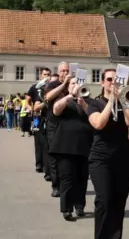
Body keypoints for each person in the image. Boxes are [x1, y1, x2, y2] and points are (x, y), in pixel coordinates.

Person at [87, 68, 129, 239]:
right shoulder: (94, 103)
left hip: (123, 158)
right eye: (109, 79)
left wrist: (121, 100)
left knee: (118, 202)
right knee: (104, 200)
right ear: (102, 82)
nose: (113, 83)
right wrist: (111, 102)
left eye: (117, 80)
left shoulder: (124, 102)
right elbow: (98, 124)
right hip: (101, 158)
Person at [50, 77, 93, 220]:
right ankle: (67, 208)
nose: (76, 86)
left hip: (84, 146)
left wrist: (84, 104)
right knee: (67, 179)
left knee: (82, 178)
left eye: (78, 83)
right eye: (73, 83)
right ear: (68, 87)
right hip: (65, 147)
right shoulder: (64, 100)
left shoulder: (87, 101)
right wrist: (70, 95)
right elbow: (56, 110)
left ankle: (80, 206)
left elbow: (94, 117)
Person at [44, 62, 72, 197]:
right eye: (63, 71)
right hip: (54, 124)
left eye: (67, 70)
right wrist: (63, 85)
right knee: (54, 156)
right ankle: (56, 186)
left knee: (68, 156)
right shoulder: (53, 84)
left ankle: (67, 184)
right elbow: (48, 97)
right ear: (58, 71)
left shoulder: (73, 84)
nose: (65, 73)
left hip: (68, 124)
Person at [26, 67, 51, 173]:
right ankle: (39, 164)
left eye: (48, 74)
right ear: (41, 75)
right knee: (38, 141)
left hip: (47, 116)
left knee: (47, 141)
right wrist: (30, 109)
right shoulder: (34, 87)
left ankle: (47, 165)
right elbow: (26, 101)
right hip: (37, 117)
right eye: (45, 74)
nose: (47, 76)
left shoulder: (51, 88)